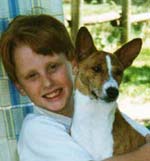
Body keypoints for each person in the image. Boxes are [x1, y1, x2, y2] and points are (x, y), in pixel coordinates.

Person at [0, 14, 149, 161]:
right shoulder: (36, 130)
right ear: (20, 87)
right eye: (32, 76)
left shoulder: (102, 107)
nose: (47, 83)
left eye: (53, 67)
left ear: (74, 64)